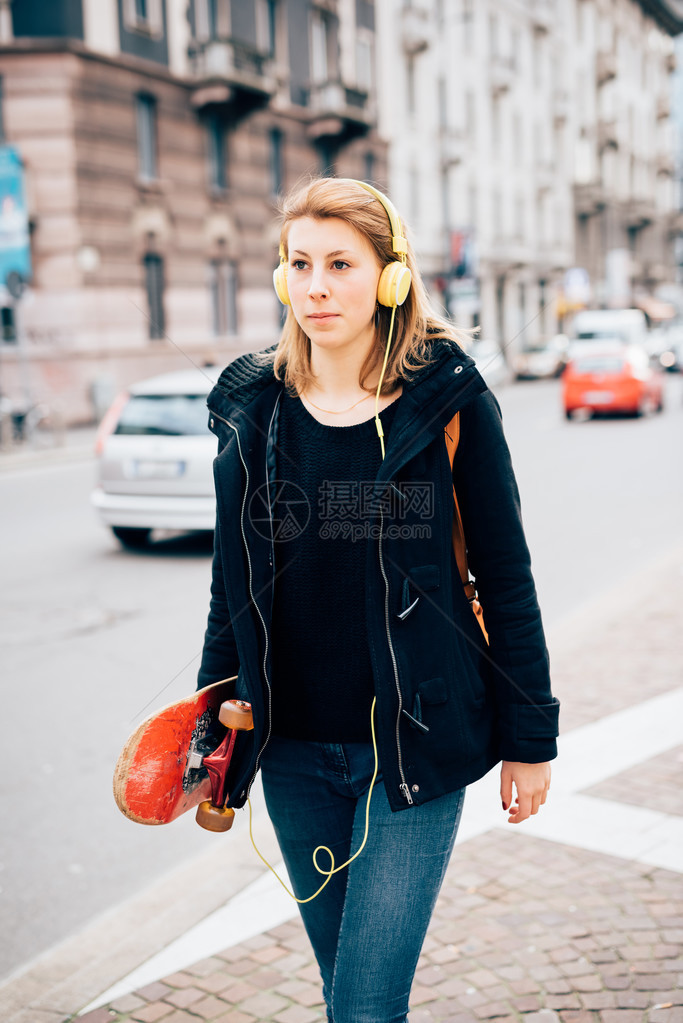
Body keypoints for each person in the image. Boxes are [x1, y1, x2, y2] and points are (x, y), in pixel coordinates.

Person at [197, 176, 560, 1023]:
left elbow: (505, 580)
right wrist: (212, 725)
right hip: (291, 757)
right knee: (346, 996)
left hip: (413, 756)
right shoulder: (254, 410)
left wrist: (530, 739)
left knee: (362, 1006)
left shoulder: (447, 404)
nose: (316, 285)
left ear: (389, 278)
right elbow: (230, 585)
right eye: (300, 264)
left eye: (340, 264)